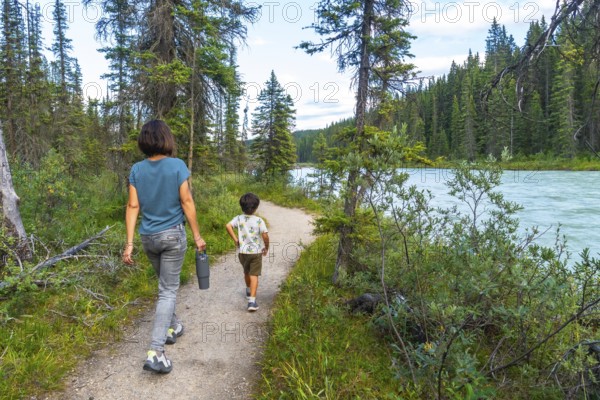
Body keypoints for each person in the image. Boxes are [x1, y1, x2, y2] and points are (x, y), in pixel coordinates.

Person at [122, 119, 206, 374]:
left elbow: (133, 206)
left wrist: (129, 244)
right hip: (172, 236)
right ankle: (156, 351)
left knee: (164, 288)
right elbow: (187, 201)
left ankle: (173, 326)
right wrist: (197, 236)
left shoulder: (137, 169)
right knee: (167, 291)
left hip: (148, 238)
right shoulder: (177, 166)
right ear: (166, 139)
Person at [225, 193, 269, 312]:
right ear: (256, 207)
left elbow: (228, 226)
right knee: (254, 274)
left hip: (243, 252)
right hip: (255, 252)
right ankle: (252, 302)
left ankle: (248, 290)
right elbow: (265, 236)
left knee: (246, 271)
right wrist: (266, 247)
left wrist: (235, 240)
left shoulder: (238, 218)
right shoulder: (259, 221)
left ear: (242, 207)